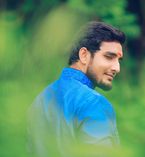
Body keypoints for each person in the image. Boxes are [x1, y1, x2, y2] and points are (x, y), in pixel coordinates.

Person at [28, 21, 126, 157]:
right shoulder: (93, 103)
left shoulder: (41, 99)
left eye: (118, 60)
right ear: (84, 55)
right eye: (109, 57)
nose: (117, 68)